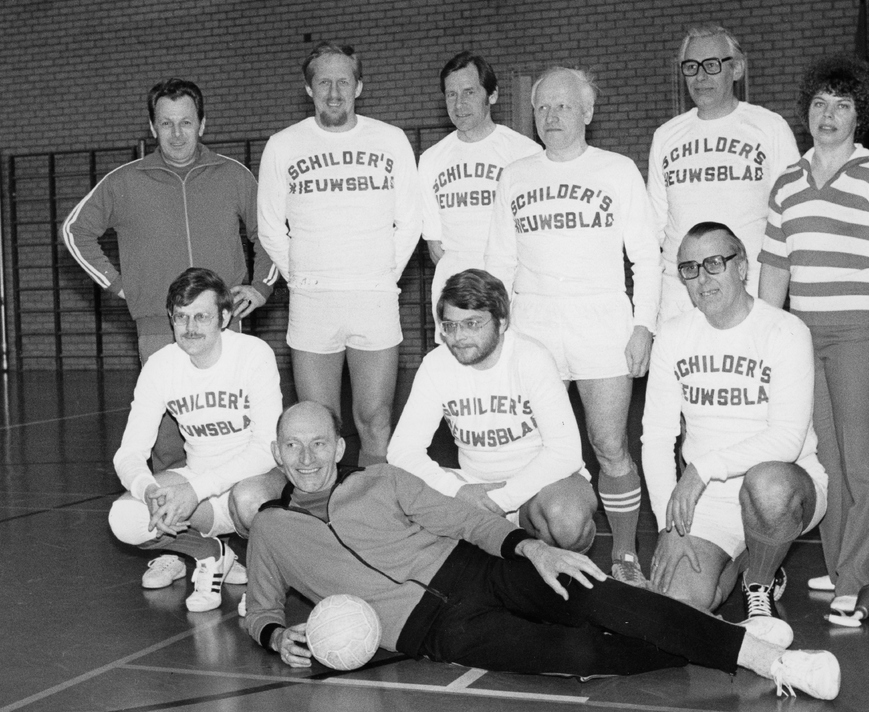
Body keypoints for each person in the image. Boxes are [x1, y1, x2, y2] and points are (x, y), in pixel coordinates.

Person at [242, 401, 841, 700]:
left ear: (338, 445)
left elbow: (463, 520)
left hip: (477, 571)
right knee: (580, 653)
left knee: (603, 599)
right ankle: (707, 636)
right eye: (292, 446)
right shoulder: (270, 530)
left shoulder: (381, 480)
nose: (306, 458)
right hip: (431, 631)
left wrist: (533, 550)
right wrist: (274, 637)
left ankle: (772, 661)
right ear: (276, 453)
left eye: (317, 443)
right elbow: (261, 610)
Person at [758, 55, 869, 617]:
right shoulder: (787, 182)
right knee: (824, 461)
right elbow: (775, 265)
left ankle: (857, 576)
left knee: (861, 462)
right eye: (819, 103)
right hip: (803, 336)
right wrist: (761, 337)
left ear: (860, 115)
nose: (828, 114)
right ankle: (838, 569)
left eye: (842, 105)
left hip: (861, 335)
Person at [485, 67, 662, 586]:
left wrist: (643, 325)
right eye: (542, 107)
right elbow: (499, 264)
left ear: (587, 111)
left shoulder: (617, 170)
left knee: (609, 445)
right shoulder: (515, 175)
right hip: (532, 323)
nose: (552, 116)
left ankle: (625, 555)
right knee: (529, 446)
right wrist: (497, 334)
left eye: (563, 106)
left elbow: (647, 258)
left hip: (600, 320)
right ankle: (528, 550)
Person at [62, 77, 278, 469]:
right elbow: (74, 231)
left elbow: (269, 233)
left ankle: (232, 503)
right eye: (166, 123)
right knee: (166, 440)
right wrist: (121, 285)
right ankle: (176, 506)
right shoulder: (124, 181)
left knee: (232, 433)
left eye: (185, 122)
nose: (176, 134)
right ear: (152, 127)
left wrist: (262, 286)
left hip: (224, 325)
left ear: (202, 124)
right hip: (158, 328)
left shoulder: (234, 175)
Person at [641, 223, 828, 630]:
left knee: (767, 485)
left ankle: (759, 581)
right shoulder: (673, 336)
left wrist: (701, 469)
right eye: (690, 268)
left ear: (742, 266)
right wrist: (668, 525)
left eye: (714, 263)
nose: (702, 278)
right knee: (678, 606)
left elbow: (787, 439)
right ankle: (746, 558)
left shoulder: (784, 330)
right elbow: (656, 437)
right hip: (707, 501)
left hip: (784, 486)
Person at [257, 42, 421, 465]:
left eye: (343, 82)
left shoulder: (390, 139)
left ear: (359, 86)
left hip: (374, 298)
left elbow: (411, 221)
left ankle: (374, 504)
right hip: (312, 302)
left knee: (375, 420)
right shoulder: (282, 145)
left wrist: (384, 274)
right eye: (324, 83)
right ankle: (323, 506)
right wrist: (300, 277)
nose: (334, 93)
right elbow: (270, 227)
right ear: (308, 89)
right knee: (317, 427)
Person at [108, 268, 284, 612]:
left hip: (257, 482)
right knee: (125, 517)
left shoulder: (253, 353)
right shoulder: (160, 366)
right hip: (201, 488)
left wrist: (195, 490)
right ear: (171, 318)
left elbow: (267, 448)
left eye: (201, 316)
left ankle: (267, 587)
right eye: (181, 317)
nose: (190, 328)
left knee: (249, 499)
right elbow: (129, 453)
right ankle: (210, 553)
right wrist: (148, 490)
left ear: (224, 317)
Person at [387, 269, 596, 552]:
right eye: (450, 325)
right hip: (471, 487)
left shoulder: (531, 359)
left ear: (501, 322)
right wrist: (457, 490)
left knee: (567, 520)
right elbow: (402, 451)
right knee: (393, 497)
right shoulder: (436, 365)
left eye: (472, 324)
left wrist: (501, 500)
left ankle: (569, 569)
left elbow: (565, 452)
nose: (458, 336)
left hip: (536, 487)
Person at [647, 25, 799, 328]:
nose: (700, 76)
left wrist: (771, 304)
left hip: (751, 293)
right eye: (691, 67)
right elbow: (655, 228)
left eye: (712, 65)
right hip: (681, 300)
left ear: (737, 69)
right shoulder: (666, 136)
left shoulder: (770, 128)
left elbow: (791, 220)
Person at [418, 52, 540, 340]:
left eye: (469, 92)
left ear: (492, 95)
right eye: (451, 94)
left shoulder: (525, 153)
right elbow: (436, 248)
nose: (459, 104)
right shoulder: (431, 159)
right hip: (455, 295)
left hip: (512, 293)